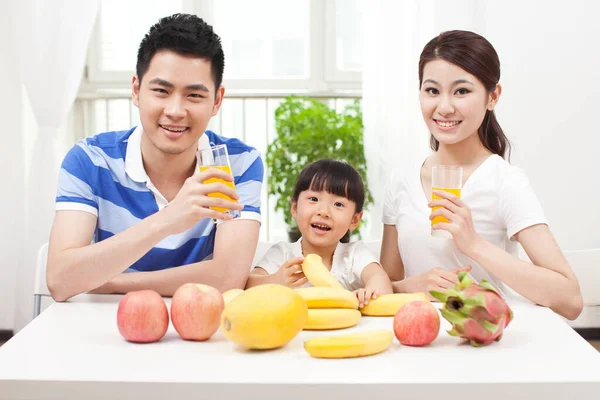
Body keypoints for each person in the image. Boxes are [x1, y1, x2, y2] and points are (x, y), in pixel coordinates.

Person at [47, 14, 263, 301]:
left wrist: (107, 281)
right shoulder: (90, 160)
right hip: (102, 327)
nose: (175, 110)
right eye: (161, 91)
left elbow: (227, 277)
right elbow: (61, 280)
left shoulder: (238, 163)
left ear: (217, 101)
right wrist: (168, 220)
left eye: (194, 96)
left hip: (205, 329)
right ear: (136, 90)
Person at [380, 30, 583, 320]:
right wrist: (408, 288)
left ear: (493, 96)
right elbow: (384, 286)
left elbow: (570, 300)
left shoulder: (505, 182)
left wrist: (473, 243)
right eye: (432, 90)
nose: (444, 107)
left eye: (462, 91)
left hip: (485, 340)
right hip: (417, 342)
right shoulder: (401, 180)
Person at [247, 159, 392, 307]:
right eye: (314, 199)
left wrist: (369, 294)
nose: (323, 212)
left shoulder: (354, 254)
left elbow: (380, 279)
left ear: (354, 220)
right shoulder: (283, 254)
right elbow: (247, 286)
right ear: (295, 208)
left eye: (338, 204)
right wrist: (276, 280)